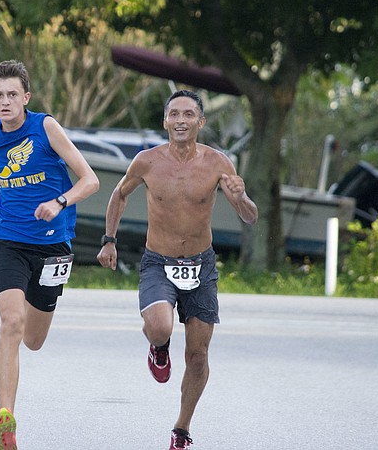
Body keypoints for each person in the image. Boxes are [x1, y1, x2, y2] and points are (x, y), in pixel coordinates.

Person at [96, 89, 258, 450]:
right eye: (174, 114)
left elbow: (248, 216)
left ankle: (181, 429)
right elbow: (119, 195)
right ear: (165, 121)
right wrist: (109, 239)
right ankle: (159, 346)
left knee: (198, 356)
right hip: (159, 261)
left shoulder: (218, 163)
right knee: (158, 326)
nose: (181, 120)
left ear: (201, 122)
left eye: (188, 114)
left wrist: (241, 196)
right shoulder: (147, 161)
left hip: (201, 265)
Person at [0, 60, 99, 450]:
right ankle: (6, 420)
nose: (5, 101)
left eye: (12, 95)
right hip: (9, 240)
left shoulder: (45, 127)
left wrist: (60, 201)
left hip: (53, 244)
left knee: (33, 340)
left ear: (26, 98)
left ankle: (8, 413)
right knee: (11, 322)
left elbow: (90, 179)